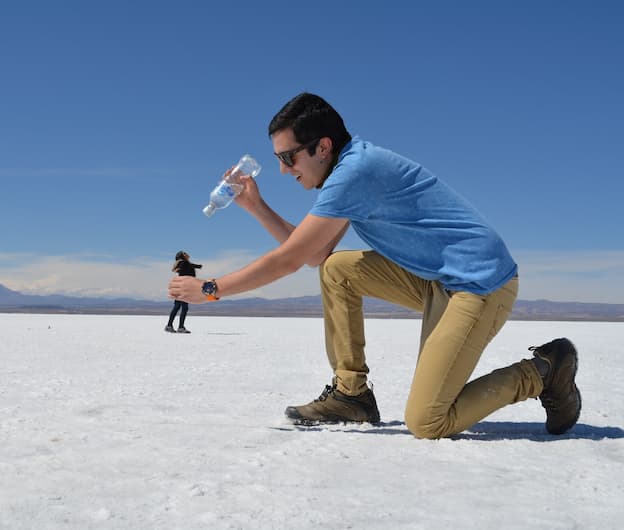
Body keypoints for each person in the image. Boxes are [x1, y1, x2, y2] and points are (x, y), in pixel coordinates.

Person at [168, 92, 581, 439]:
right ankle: (351, 396)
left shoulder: (356, 172)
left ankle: (545, 370)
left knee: (428, 421)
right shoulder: (347, 174)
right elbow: (315, 255)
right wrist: (257, 206)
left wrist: (211, 289)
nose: (282, 169)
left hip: (480, 285)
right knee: (337, 269)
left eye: (289, 157)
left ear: (323, 146)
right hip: (437, 282)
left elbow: (291, 259)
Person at [165, 251, 202, 334]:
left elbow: (188, 267)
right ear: (182, 256)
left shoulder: (184, 263)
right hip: (184, 287)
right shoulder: (183, 263)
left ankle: (170, 326)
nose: (187, 254)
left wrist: (198, 266)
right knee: (183, 307)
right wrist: (198, 266)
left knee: (177, 306)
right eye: (185, 253)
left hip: (182, 287)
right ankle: (180, 327)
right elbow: (187, 268)